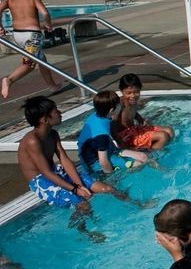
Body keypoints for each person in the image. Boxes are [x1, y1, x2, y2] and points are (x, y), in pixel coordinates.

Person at [18, 97, 123, 240]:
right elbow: (46, 173)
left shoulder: (53, 134)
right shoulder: (32, 141)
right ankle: (86, 233)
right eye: (55, 111)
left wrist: (79, 184)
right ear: (45, 119)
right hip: (40, 180)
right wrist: (75, 189)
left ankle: (137, 206)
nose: (60, 112)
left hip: (55, 172)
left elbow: (65, 160)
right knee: (82, 204)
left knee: (107, 189)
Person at [0, 0, 59, 99]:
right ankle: (9, 80)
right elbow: (45, 13)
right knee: (29, 64)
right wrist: (48, 24)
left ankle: (52, 86)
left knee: (42, 59)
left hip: (18, 34)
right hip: (32, 35)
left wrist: (0, 26)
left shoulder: (10, 0)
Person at [77, 91, 148, 174]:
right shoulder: (101, 135)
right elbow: (103, 162)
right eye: (119, 105)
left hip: (111, 151)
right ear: (111, 110)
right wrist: (111, 177)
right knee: (138, 164)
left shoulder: (101, 115)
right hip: (94, 163)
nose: (121, 106)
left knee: (143, 157)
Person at [112, 74, 174, 150]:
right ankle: (151, 154)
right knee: (163, 136)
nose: (133, 96)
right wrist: (125, 147)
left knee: (169, 131)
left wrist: (141, 119)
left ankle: (160, 148)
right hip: (126, 137)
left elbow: (132, 113)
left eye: (136, 92)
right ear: (121, 91)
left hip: (134, 130)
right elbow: (112, 128)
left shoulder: (133, 102)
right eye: (129, 93)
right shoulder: (119, 105)